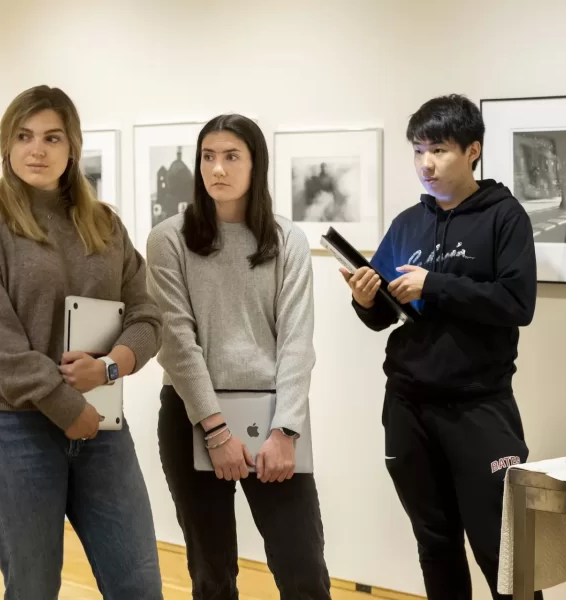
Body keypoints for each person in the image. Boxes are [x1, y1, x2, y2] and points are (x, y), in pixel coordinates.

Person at [0, 84, 164, 599]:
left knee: (139, 586)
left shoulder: (104, 223)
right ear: (7, 145)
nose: (37, 150)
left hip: (101, 427)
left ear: (72, 148)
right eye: (24, 137)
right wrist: (67, 406)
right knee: (34, 589)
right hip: (14, 430)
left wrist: (111, 367)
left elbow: (148, 315)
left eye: (52, 137)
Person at [339, 94, 544, 600]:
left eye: (440, 150)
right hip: (408, 405)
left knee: (503, 550)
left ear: (472, 150)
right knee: (434, 543)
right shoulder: (409, 221)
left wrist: (436, 284)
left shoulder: (505, 216)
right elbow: (388, 316)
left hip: (479, 407)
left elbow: (518, 304)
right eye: (418, 151)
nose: (426, 164)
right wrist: (367, 301)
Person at [146, 113, 332, 600]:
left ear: (256, 165)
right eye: (208, 156)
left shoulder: (287, 239)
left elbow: (296, 341)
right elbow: (177, 342)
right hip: (193, 417)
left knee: (304, 572)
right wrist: (216, 431)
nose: (217, 169)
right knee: (213, 576)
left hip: (274, 421)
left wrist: (285, 429)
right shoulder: (169, 239)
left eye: (232, 156)